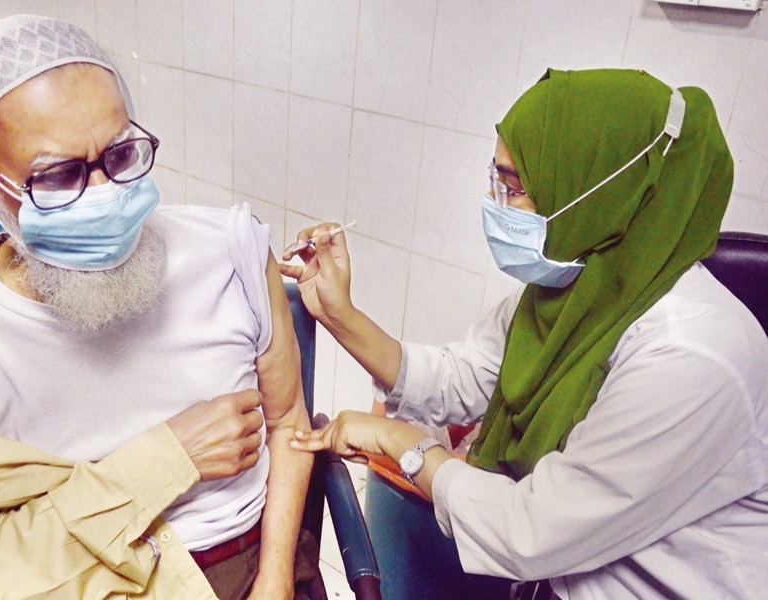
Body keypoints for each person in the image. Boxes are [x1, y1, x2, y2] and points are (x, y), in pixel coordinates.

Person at [0, 14, 322, 600]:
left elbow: (288, 424)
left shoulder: (229, 252)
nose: (106, 195)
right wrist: (163, 461)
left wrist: (276, 577)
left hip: (245, 565)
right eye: (57, 176)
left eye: (120, 155)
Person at [282, 68, 768, 599]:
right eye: (498, 181)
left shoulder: (690, 357)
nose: (499, 207)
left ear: (598, 189)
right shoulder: (584, 291)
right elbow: (466, 376)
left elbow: (530, 530)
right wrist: (337, 312)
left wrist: (403, 445)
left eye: (515, 188)